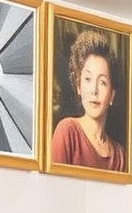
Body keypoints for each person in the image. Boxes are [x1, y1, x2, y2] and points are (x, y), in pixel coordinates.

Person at [51, 29, 126, 171]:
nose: (94, 90)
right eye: (88, 79)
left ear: (112, 95)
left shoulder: (119, 155)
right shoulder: (67, 131)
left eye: (102, 82)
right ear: (78, 86)